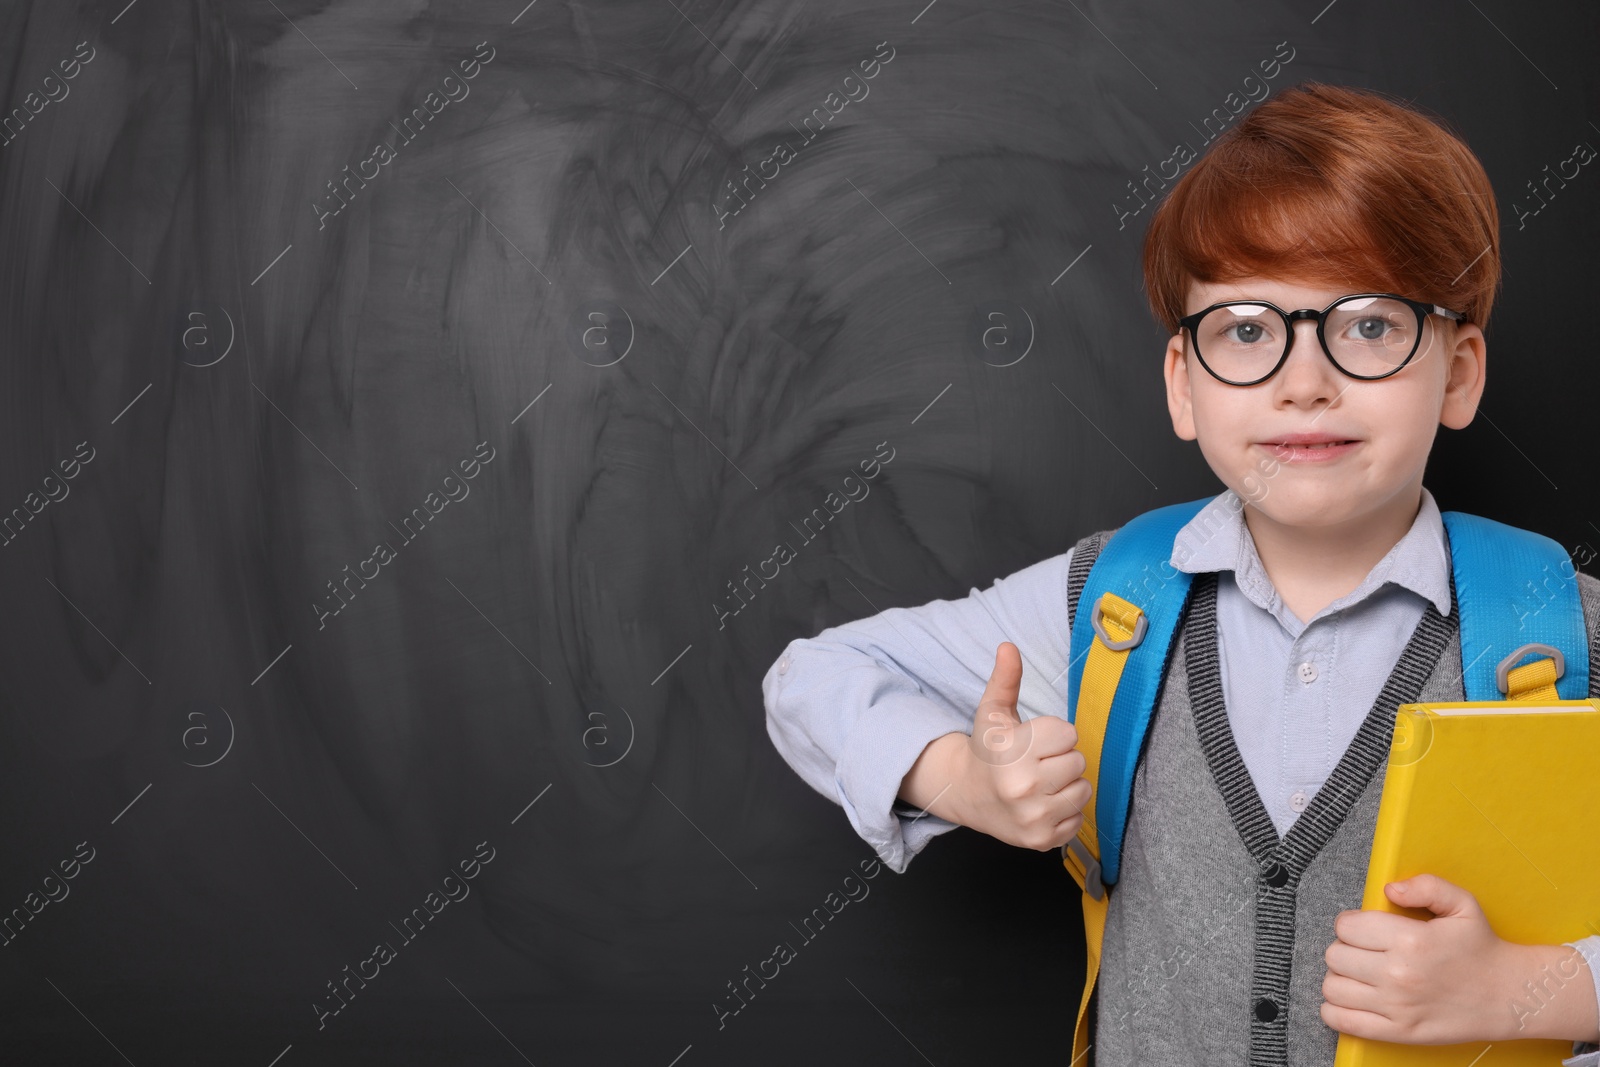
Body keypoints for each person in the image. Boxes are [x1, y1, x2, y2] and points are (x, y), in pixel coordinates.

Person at [762, 81, 1600, 1066]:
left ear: (1456, 373)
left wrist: (1536, 991)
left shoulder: (1567, 626)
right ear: (1182, 385)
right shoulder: (1107, 603)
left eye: (1368, 324)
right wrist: (959, 778)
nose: (1303, 379)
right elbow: (810, 680)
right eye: (1245, 329)